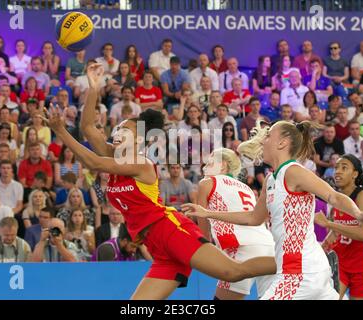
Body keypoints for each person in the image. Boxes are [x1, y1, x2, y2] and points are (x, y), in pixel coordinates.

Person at [42, 63, 278, 299]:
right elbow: (87, 127)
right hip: (155, 244)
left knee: (232, 271)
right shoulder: (113, 156)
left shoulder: (142, 163)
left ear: (138, 140)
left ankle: (296, 261)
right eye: (117, 129)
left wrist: (62, 133)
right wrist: (93, 87)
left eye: (125, 130)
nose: (117, 133)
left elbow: (94, 163)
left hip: (169, 230)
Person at [183, 120, 363, 300]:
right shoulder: (270, 179)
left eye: (269, 135)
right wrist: (207, 213)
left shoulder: (293, 171)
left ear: (282, 143)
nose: (263, 139)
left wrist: (358, 214)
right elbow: (253, 217)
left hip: (300, 272)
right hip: (303, 269)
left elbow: (333, 196)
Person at [195, 148, 275, 300]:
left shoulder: (207, 183)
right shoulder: (247, 188)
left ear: (223, 165)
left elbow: (203, 233)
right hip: (268, 246)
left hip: (240, 248)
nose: (206, 166)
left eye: (211, 161)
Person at [315, 154, 363, 299]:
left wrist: (328, 223)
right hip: (341, 262)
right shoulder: (338, 198)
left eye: (344, 168)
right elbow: (335, 233)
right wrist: (320, 249)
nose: (338, 171)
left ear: (355, 174)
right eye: (336, 168)